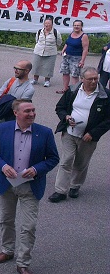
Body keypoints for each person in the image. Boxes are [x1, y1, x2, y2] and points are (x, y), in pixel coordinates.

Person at [0, 100, 59, 274]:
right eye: (27, 111)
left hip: (30, 187)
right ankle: (7, 250)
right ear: (16, 113)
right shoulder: (2, 129)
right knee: (6, 220)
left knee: (29, 226)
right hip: (6, 184)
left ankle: (23, 263)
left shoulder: (45, 132)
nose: (32, 114)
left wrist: (36, 169)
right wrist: (3, 166)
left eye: (33, 110)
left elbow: (53, 158)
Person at [49, 68, 109, 203]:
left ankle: (75, 186)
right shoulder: (72, 90)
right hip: (69, 133)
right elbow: (60, 107)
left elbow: (108, 120)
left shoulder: (105, 95)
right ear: (82, 79)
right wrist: (66, 117)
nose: (94, 81)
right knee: (66, 160)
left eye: (96, 78)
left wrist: (93, 133)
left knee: (81, 163)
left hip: (88, 138)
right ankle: (60, 191)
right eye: (90, 79)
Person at [58, 19, 89, 94]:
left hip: (76, 58)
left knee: (75, 75)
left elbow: (85, 49)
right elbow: (67, 43)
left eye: (78, 25)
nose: (76, 27)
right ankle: (65, 89)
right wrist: (63, 50)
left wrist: (82, 60)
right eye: (75, 25)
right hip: (66, 56)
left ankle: (74, 91)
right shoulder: (71, 33)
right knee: (65, 73)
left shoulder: (84, 36)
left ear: (81, 26)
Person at [31, 18, 61, 87]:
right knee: (36, 65)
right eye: (46, 23)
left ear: (52, 25)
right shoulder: (39, 31)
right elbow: (37, 40)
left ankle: (47, 81)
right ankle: (35, 79)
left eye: (49, 23)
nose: (47, 25)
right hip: (38, 51)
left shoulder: (56, 32)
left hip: (51, 52)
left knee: (48, 67)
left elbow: (59, 42)